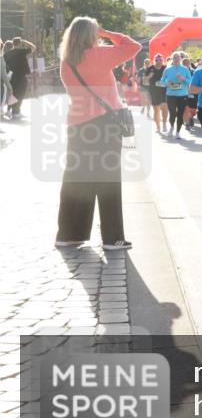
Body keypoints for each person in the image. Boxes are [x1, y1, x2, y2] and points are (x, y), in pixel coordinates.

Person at [55, 17, 141, 251]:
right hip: (104, 124)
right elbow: (133, 47)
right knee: (108, 179)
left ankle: (68, 234)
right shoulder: (99, 55)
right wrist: (107, 33)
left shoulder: (66, 61)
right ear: (92, 35)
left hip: (76, 125)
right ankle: (113, 238)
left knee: (76, 178)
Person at [3, 37, 34, 119]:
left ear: (13, 43)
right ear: (20, 43)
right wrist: (25, 41)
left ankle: (10, 110)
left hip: (11, 77)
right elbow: (33, 47)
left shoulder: (7, 54)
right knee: (20, 94)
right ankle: (16, 112)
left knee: (13, 94)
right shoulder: (22, 52)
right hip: (21, 76)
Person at [163, 52, 193, 138]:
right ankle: (172, 127)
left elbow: (190, 82)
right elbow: (162, 80)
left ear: (180, 59)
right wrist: (167, 83)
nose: (176, 59)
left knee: (180, 113)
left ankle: (178, 132)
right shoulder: (168, 69)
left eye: (178, 58)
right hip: (170, 94)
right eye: (174, 58)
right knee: (172, 113)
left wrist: (183, 79)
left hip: (182, 95)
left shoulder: (185, 69)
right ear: (172, 59)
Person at [147, 54, 168, 133]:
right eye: (157, 60)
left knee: (164, 108)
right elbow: (145, 80)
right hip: (154, 91)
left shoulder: (166, 68)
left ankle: (164, 124)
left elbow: (170, 78)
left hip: (164, 91)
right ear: (154, 60)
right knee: (156, 110)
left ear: (163, 60)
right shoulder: (150, 68)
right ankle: (158, 127)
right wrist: (149, 76)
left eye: (160, 60)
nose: (159, 61)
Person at [182, 55, 199, 131]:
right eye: (184, 63)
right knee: (186, 108)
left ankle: (190, 117)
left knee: (194, 110)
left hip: (193, 92)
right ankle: (187, 123)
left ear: (189, 64)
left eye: (187, 63)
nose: (186, 64)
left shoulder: (194, 72)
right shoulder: (180, 72)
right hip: (183, 93)